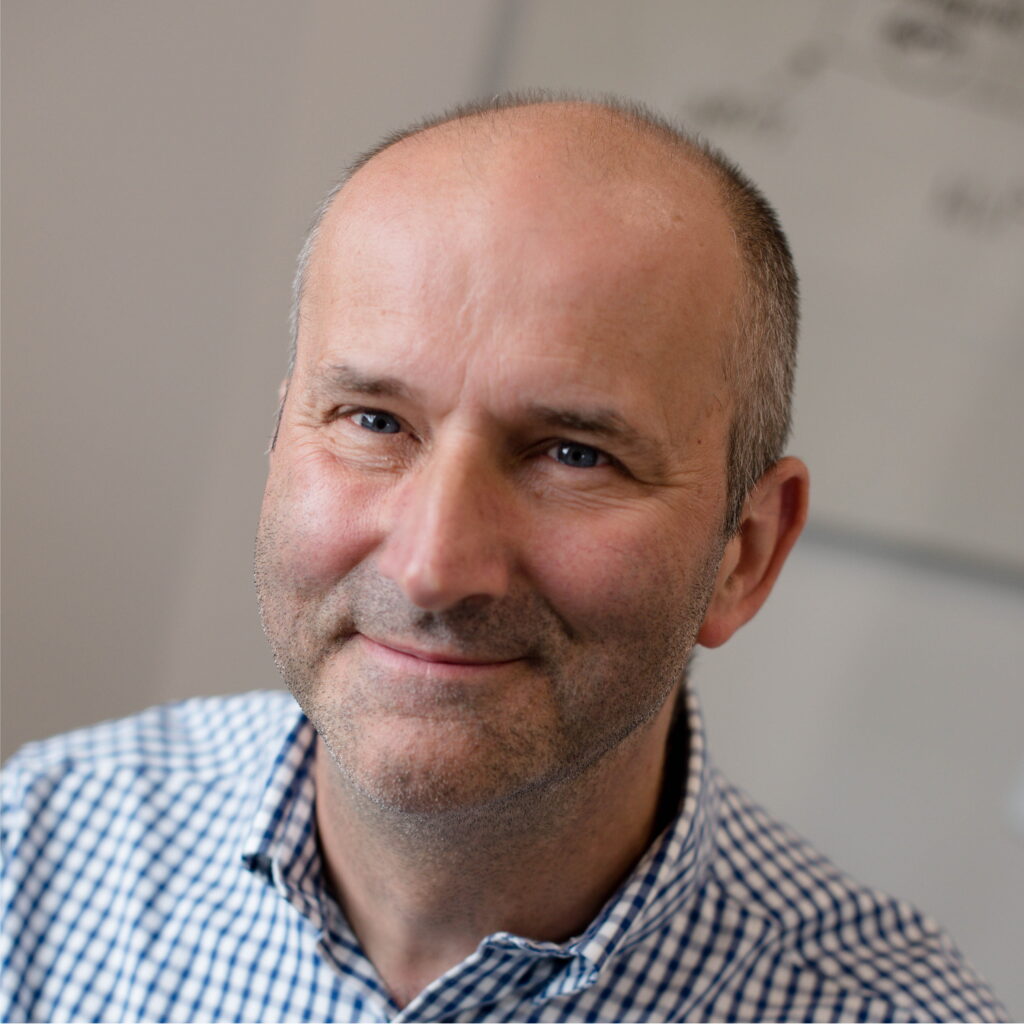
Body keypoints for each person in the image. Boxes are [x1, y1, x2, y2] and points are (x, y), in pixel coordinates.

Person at [1, 94, 1006, 1024]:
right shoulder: (36, 849)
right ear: (280, 446)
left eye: (575, 454)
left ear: (744, 554)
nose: (433, 567)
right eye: (373, 420)